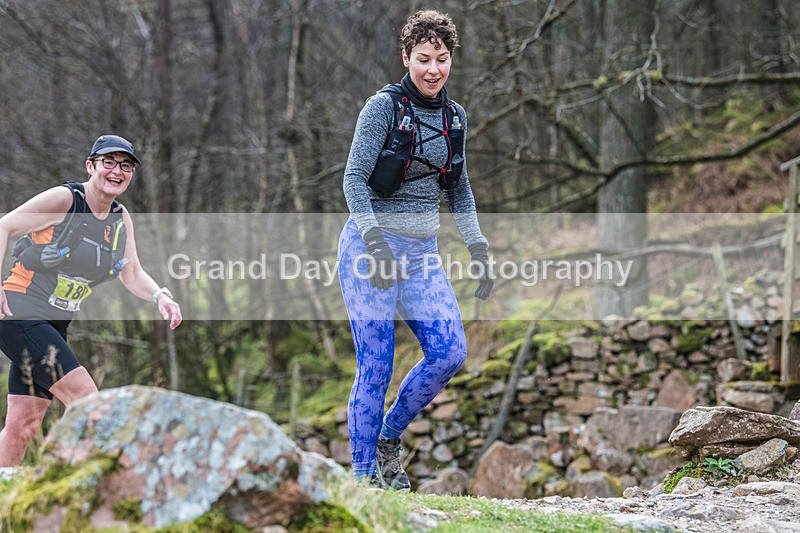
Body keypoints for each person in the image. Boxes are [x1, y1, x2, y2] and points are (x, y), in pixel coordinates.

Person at [338, 10, 493, 491]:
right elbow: (353, 180)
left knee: (449, 352)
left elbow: (459, 189)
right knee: (377, 362)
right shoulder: (383, 107)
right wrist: (376, 241)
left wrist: (477, 246)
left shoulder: (455, 118)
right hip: (369, 248)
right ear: (406, 58)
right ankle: (364, 481)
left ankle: (388, 440)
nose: (432, 69)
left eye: (441, 59)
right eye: (423, 59)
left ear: (451, 60)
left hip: (421, 253)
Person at [0, 134, 182, 466]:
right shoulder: (65, 200)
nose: (117, 171)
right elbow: (4, 227)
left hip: (54, 324)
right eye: (108, 163)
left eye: (126, 165)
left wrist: (159, 296)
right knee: (87, 400)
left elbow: (132, 271)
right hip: (19, 312)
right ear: (91, 166)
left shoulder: (119, 218)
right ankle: (94, 484)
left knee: (22, 426)